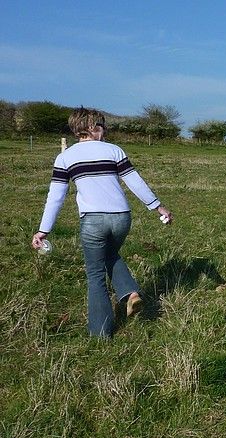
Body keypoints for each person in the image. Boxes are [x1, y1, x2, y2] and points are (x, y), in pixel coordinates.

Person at [31, 107, 173, 338]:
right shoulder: (114, 150)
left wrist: (43, 230)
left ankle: (100, 333)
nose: (104, 131)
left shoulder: (65, 157)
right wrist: (158, 207)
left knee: (95, 274)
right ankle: (131, 293)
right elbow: (135, 182)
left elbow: (55, 197)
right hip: (122, 217)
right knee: (110, 254)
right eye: (102, 126)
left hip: (93, 221)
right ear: (91, 127)